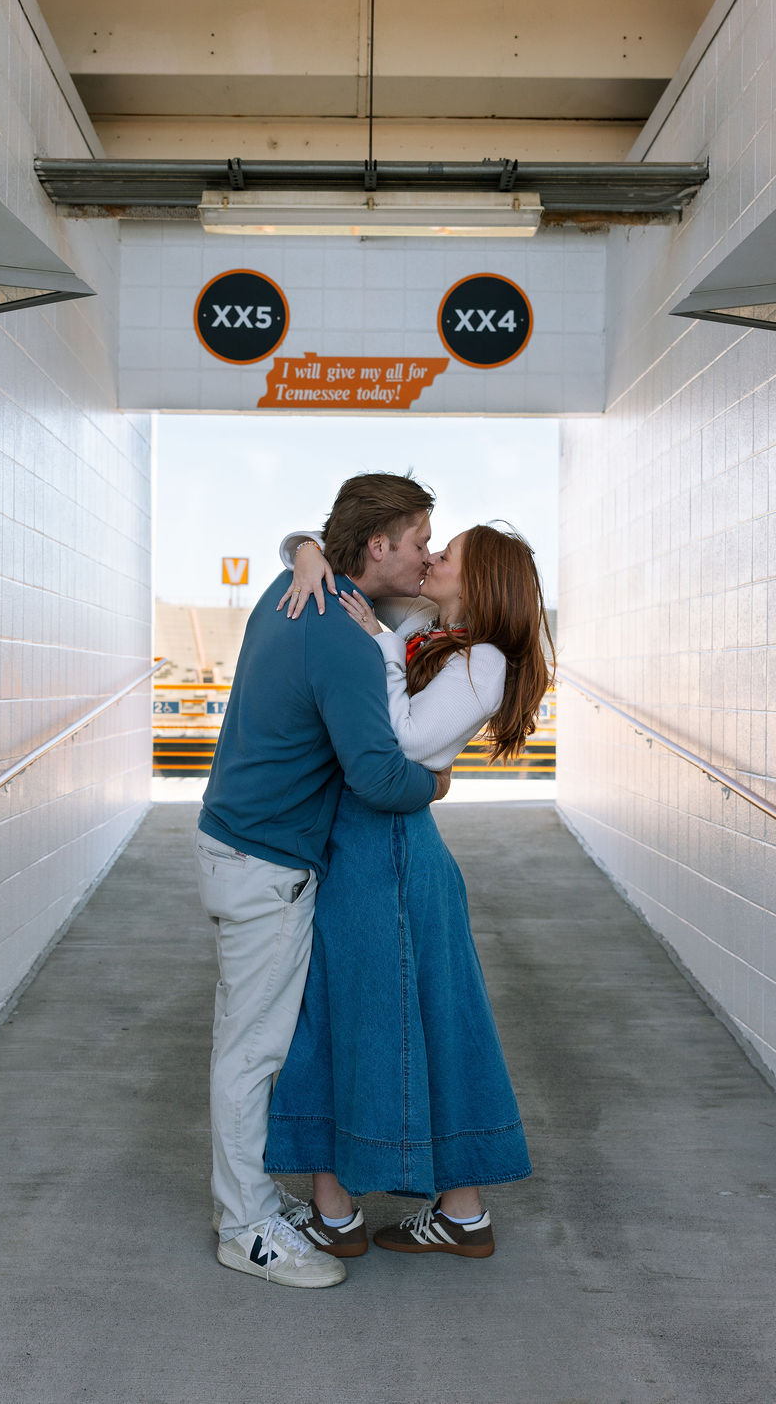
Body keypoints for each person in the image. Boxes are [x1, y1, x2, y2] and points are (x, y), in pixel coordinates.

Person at [265, 522, 555, 1259]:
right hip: (376, 848)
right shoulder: (433, 629)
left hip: (386, 851)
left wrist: (386, 655)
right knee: (426, 1018)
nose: (430, 558)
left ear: (480, 580)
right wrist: (305, 548)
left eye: (446, 553)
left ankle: (338, 1212)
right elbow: (339, 554)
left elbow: (406, 749)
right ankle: (457, 1211)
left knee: (334, 1017)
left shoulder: (480, 663)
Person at [195, 472, 452, 1289]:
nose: (425, 558)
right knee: (251, 1053)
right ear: (378, 546)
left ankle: (256, 1205)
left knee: (253, 1043)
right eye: (417, 543)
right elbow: (378, 775)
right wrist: (437, 786)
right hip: (266, 861)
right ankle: (245, 1228)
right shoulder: (340, 635)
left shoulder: (293, 584)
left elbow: (322, 558)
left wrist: (300, 546)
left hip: (237, 846)